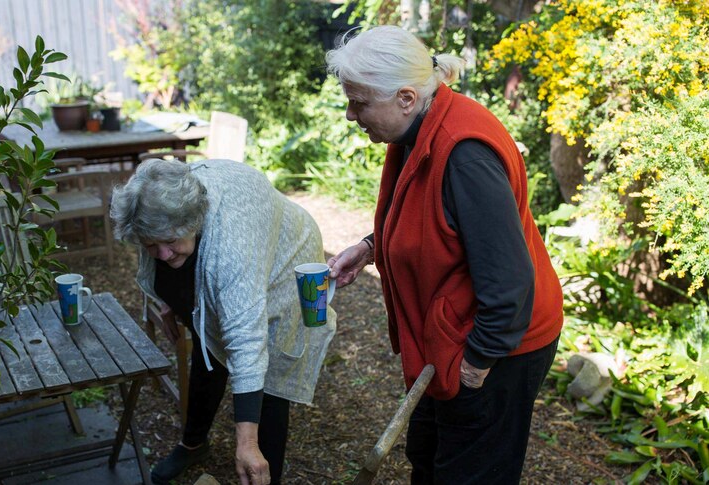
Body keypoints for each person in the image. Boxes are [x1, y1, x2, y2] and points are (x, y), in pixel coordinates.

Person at [324, 26, 563, 484]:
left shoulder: (465, 155)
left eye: (359, 103)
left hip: (499, 347)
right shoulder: (419, 127)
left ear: (407, 98)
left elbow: (510, 281)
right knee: (428, 454)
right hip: (450, 338)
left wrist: (473, 371)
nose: (351, 115)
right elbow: (434, 218)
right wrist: (371, 247)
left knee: (469, 472)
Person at [110, 158, 336, 485]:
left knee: (269, 373)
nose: (161, 255)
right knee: (208, 351)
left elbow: (246, 342)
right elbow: (161, 251)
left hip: (287, 260)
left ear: (193, 220)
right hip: (226, 246)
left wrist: (246, 443)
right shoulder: (163, 205)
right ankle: (194, 444)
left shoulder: (233, 240)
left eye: (170, 242)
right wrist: (169, 300)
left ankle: (261, 471)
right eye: (150, 245)